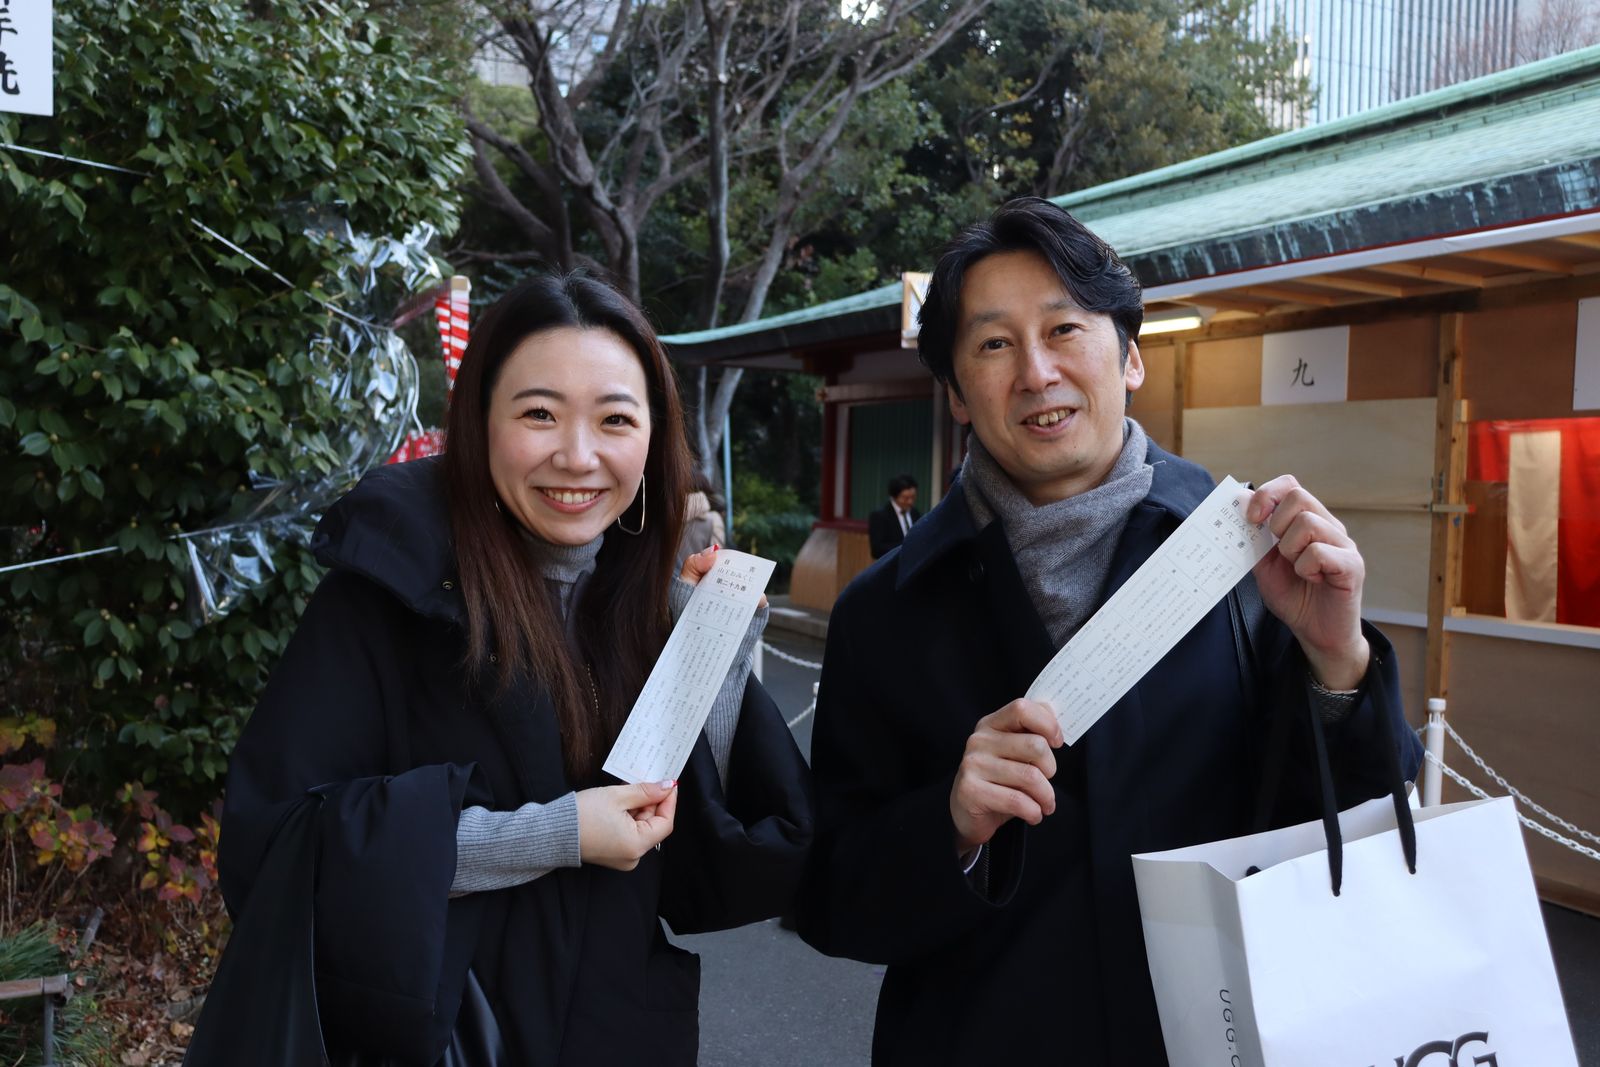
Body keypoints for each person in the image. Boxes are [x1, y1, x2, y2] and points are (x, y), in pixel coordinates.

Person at [795, 198, 1422, 1065]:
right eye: (993, 344)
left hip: (1212, 1044)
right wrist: (949, 825)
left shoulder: (1245, 559)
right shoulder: (884, 610)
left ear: (1129, 356)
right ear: (958, 395)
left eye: (1065, 329)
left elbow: (1361, 823)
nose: (1036, 372)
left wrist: (1338, 659)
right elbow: (829, 899)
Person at [204, 272, 813, 1065]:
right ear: (480, 422)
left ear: (653, 436)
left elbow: (706, 862)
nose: (578, 456)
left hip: (622, 1031)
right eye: (539, 414)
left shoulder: (647, 600)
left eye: (615, 419)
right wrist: (555, 833)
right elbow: (277, 842)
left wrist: (713, 652)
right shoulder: (389, 591)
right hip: (439, 1040)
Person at [675, 469, 728, 573]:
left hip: (667, 578)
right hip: (698, 579)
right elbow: (717, 557)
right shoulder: (713, 519)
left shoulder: (666, 516)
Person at [867, 474, 921, 559]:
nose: (910, 502)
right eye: (905, 498)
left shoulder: (915, 513)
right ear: (894, 497)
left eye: (913, 497)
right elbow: (876, 550)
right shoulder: (879, 516)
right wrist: (906, 547)